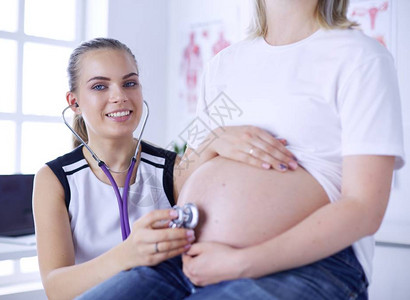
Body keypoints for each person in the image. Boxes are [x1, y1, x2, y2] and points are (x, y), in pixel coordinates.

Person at [76, 0, 405, 299]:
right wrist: (213, 139)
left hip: (311, 264)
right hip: (187, 257)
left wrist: (243, 262)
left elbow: (364, 208)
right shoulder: (224, 65)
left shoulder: (360, 57)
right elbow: (181, 180)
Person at [33, 38, 298, 299]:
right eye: (100, 86)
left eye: (129, 83)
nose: (120, 96)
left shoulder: (171, 169)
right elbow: (56, 289)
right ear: (75, 103)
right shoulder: (54, 180)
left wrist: (217, 139)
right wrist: (127, 255)